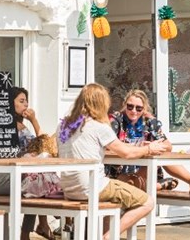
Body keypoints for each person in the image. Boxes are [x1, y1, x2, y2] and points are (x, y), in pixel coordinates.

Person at [58, 83, 167, 240]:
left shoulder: (63, 126)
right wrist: (149, 149)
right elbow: (126, 153)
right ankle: (108, 236)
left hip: (69, 188)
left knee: (118, 195)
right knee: (147, 202)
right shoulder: (98, 126)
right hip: (93, 186)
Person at [0, 87, 51, 240]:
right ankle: (28, 233)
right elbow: (45, 147)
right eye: (21, 101)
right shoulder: (20, 128)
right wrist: (34, 121)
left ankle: (41, 226)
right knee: (39, 185)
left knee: (36, 183)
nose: (26, 105)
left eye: (26, 101)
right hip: (2, 181)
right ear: (10, 104)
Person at [108, 89, 190, 195]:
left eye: (138, 108)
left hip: (144, 169)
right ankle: (156, 186)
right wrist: (141, 147)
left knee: (162, 152)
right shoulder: (116, 121)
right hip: (120, 171)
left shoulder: (149, 122)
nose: (134, 111)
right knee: (129, 184)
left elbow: (168, 146)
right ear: (125, 105)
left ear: (144, 109)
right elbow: (110, 145)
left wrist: (153, 146)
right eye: (130, 106)